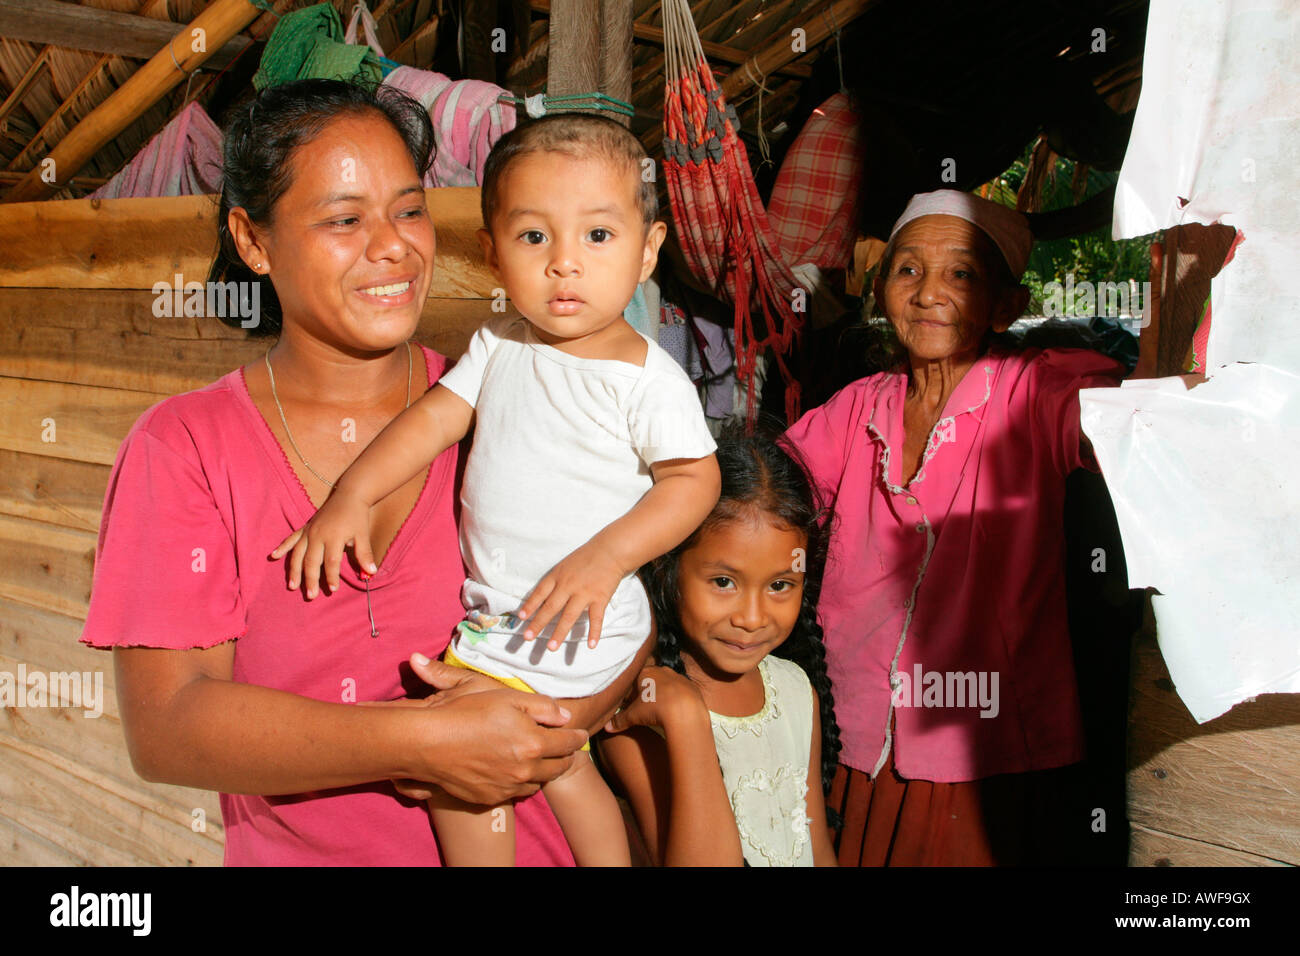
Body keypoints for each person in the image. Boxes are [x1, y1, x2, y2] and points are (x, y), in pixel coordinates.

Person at [81, 79, 651, 866]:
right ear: (252, 241)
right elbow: (168, 726)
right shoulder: (185, 448)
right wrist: (424, 742)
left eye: (409, 209)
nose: (393, 246)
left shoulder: (505, 405)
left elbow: (620, 612)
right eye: (345, 219)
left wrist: (556, 723)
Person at [275, 113, 721, 866]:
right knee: (568, 763)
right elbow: (428, 424)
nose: (564, 265)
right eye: (534, 237)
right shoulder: (498, 345)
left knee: (461, 771)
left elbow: (695, 480)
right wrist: (352, 496)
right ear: (491, 253)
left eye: (599, 237)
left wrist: (606, 558)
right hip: (514, 619)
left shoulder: (646, 379)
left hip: (578, 620)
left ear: (649, 252)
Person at [782, 189, 1126, 865]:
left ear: (1006, 307)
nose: (928, 292)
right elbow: (773, 490)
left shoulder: (1035, 393)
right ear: (880, 292)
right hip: (856, 721)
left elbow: (1126, 421)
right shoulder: (857, 408)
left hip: (983, 740)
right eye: (908, 270)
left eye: (961, 273)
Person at [599, 426, 840, 866]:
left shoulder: (795, 690)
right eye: (723, 582)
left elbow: (816, 848)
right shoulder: (642, 708)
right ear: (666, 565)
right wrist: (685, 720)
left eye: (781, 585)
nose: (751, 618)